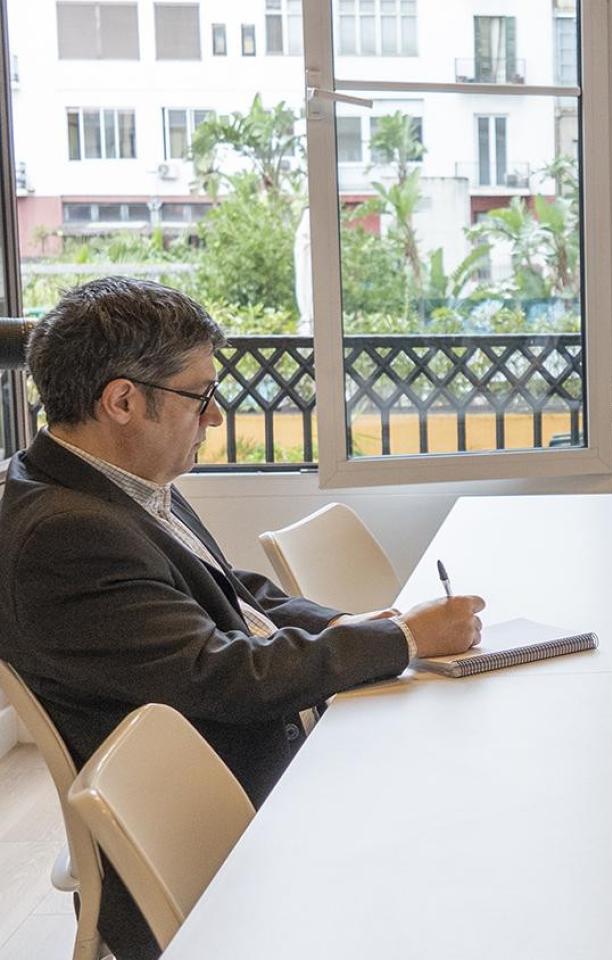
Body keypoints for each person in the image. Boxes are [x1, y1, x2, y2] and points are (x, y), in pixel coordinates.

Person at [0, 278, 485, 960]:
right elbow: (224, 677)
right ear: (123, 401)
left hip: (255, 773)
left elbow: (237, 596)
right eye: (200, 396)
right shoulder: (65, 534)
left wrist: (368, 625)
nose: (216, 417)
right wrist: (401, 639)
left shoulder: (108, 483)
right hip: (223, 837)